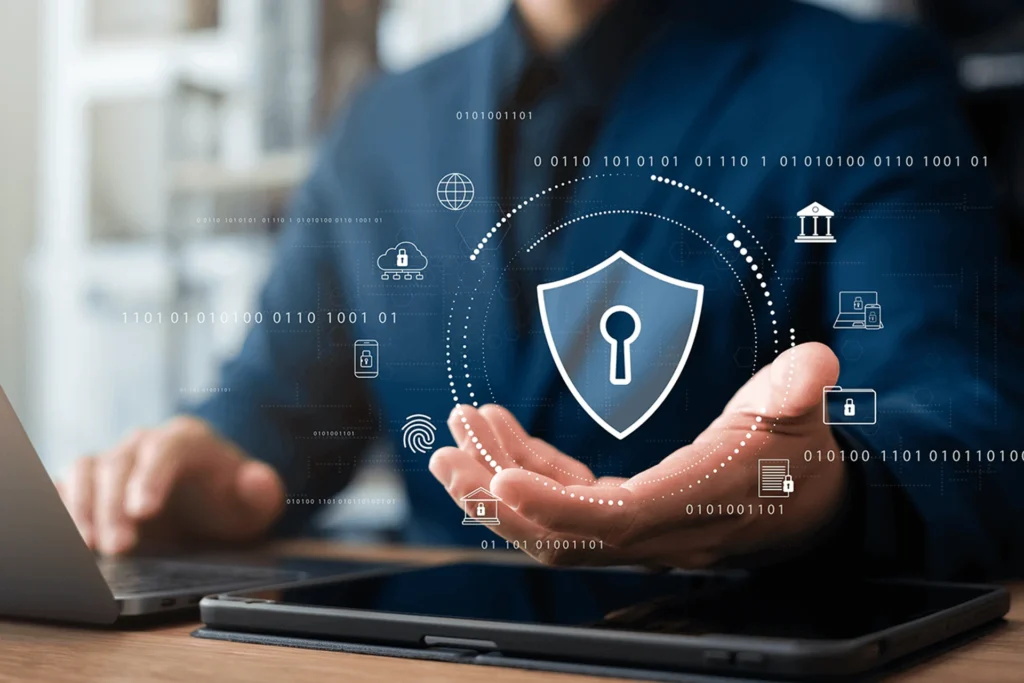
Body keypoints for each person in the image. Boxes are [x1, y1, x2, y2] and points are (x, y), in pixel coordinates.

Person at [57, 0, 1024, 580]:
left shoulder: (859, 80)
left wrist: (817, 486)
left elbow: (974, 425)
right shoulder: (382, 126)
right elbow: (279, 405)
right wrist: (207, 464)